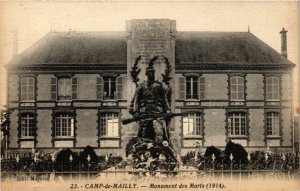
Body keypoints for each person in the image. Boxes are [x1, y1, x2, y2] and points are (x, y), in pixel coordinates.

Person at [131, 63, 171, 142]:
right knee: (143, 131)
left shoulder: (159, 86)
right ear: (146, 74)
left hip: (157, 111)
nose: (151, 74)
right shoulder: (142, 86)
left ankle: (161, 146)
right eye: (149, 72)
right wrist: (136, 111)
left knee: (159, 131)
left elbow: (164, 99)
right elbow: (137, 99)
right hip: (145, 111)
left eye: (152, 72)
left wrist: (167, 110)